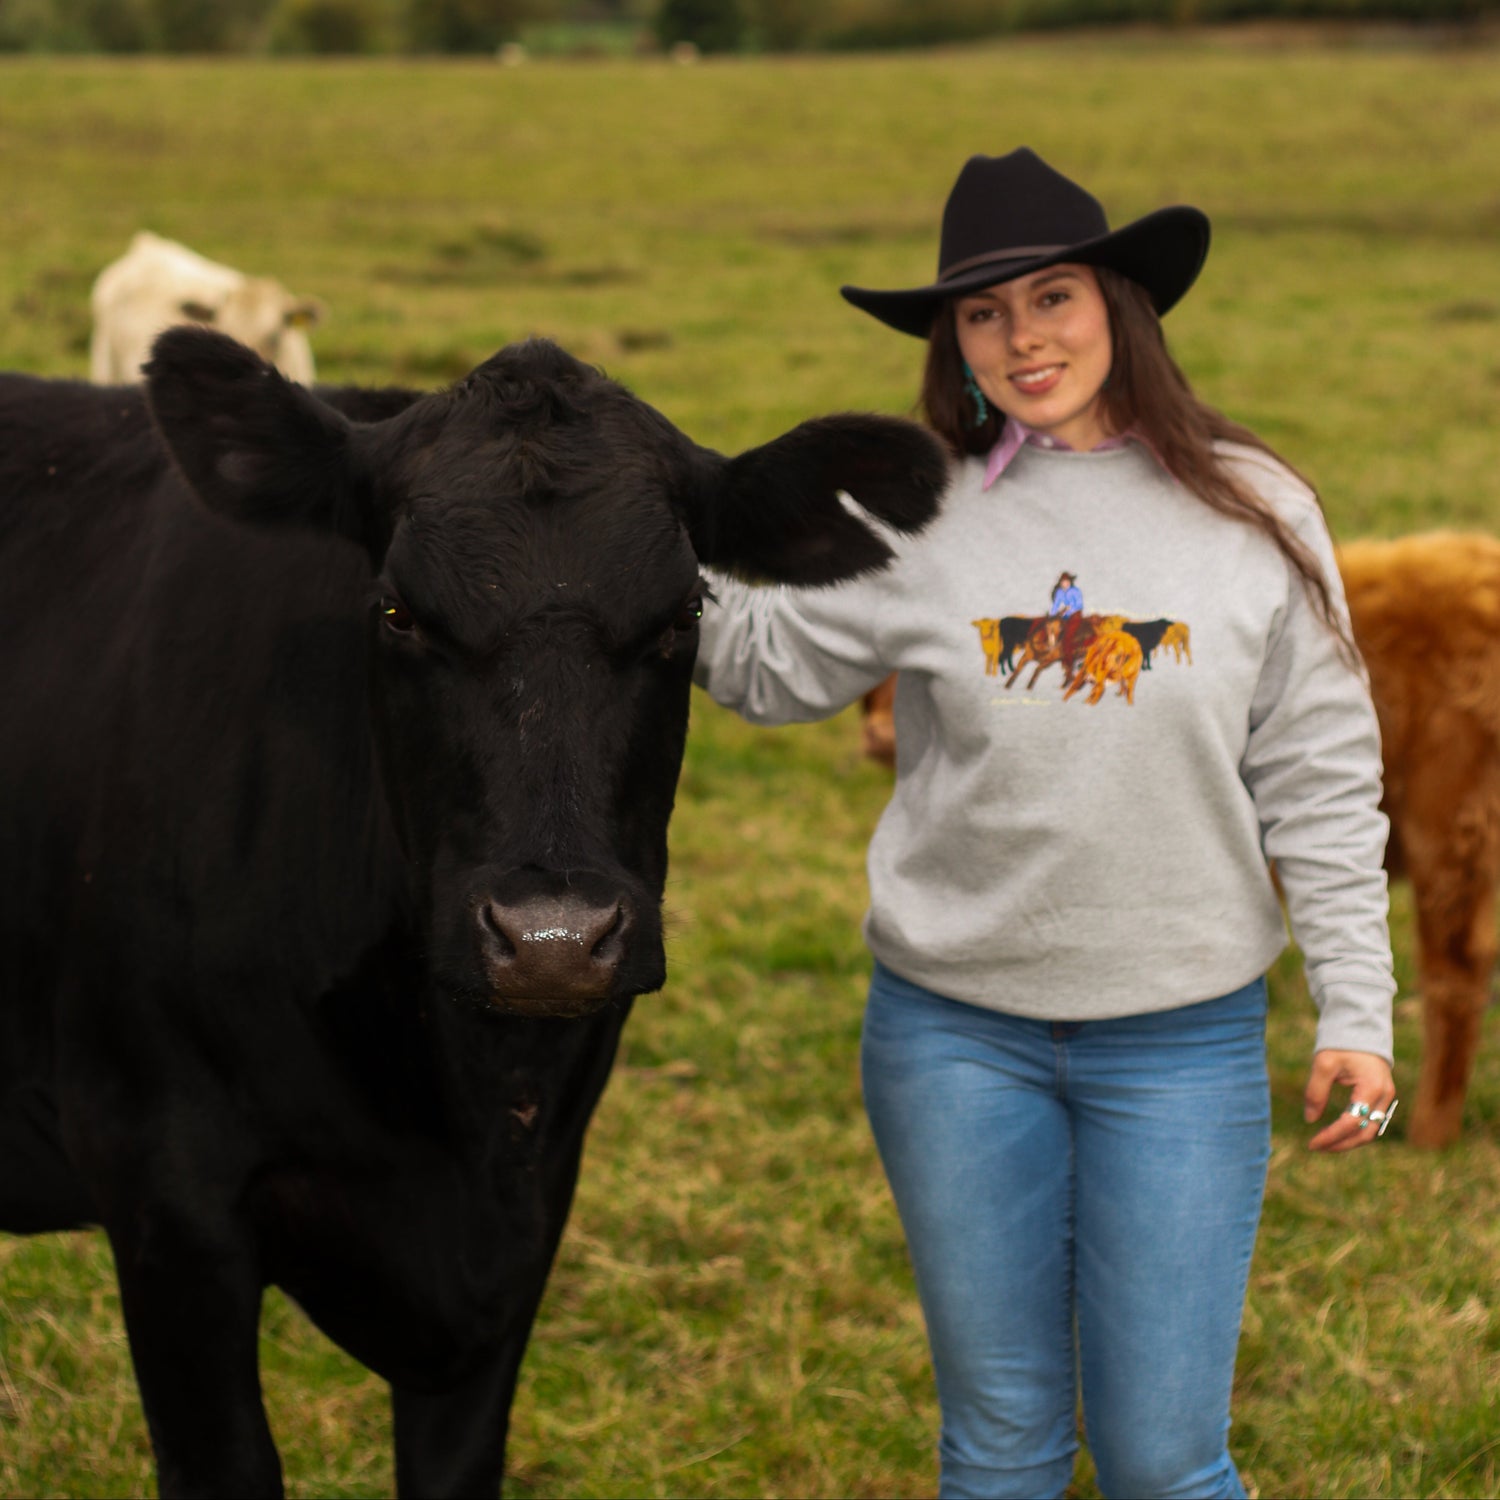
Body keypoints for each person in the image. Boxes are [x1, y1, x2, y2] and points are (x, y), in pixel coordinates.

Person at [692, 148, 1397, 1500]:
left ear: (1121, 305)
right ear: (951, 341)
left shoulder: (1254, 513)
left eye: (1054, 298)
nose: (1024, 338)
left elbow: (1320, 778)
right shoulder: (922, 516)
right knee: (1001, 1447)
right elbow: (769, 662)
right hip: (954, 1039)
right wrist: (606, 530)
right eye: (985, 312)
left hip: (1181, 1044)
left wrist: (1357, 1013)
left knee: (1162, 1461)